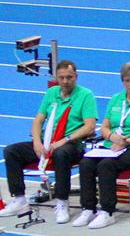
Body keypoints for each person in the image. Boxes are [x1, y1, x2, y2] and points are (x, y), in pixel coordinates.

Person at [0, 60, 98, 222]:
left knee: (61, 153)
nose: (65, 81)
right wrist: (37, 142)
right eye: (62, 78)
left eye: (69, 77)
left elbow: (89, 126)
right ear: (57, 78)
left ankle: (62, 202)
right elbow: (38, 120)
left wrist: (64, 140)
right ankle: (19, 200)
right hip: (47, 142)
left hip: (72, 145)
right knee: (11, 151)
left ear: (76, 77)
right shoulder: (51, 93)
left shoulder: (85, 95)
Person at [73, 62, 130, 229]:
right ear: (122, 81)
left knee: (106, 165)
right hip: (112, 146)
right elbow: (104, 127)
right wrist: (113, 137)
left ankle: (107, 212)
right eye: (127, 80)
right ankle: (88, 208)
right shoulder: (115, 99)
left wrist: (126, 141)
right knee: (86, 163)